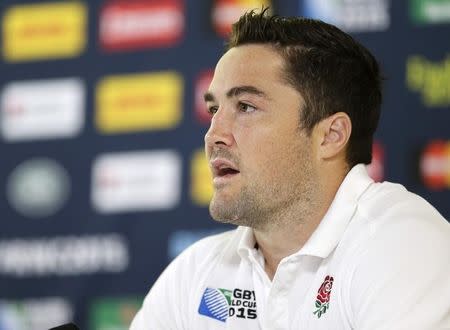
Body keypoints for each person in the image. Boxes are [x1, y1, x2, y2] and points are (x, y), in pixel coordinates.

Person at [130, 9, 450, 330]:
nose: (214, 135)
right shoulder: (195, 272)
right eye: (214, 109)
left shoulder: (402, 243)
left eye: (245, 106)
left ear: (330, 136)